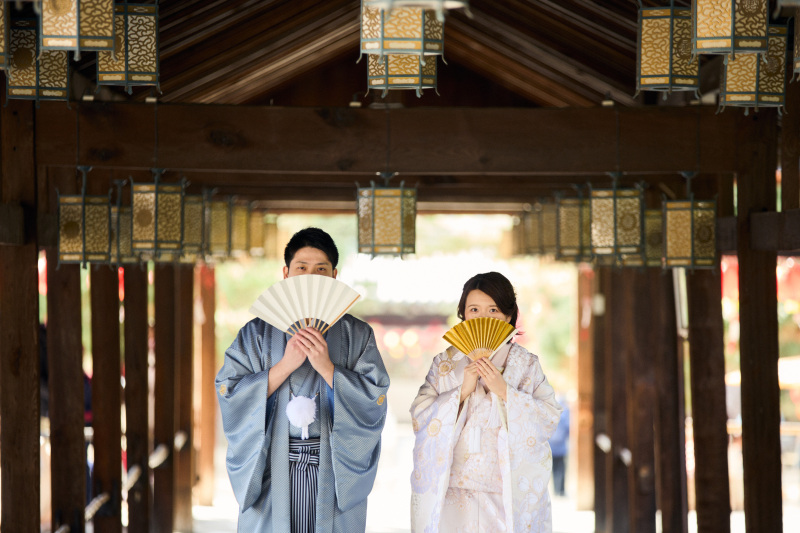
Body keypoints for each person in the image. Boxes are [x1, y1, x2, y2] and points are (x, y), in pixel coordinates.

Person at [216, 227, 390, 533]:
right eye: (302, 268)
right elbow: (229, 392)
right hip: (270, 466)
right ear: (286, 273)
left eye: (320, 269)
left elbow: (374, 399)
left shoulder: (357, 334)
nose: (311, 277)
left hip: (335, 470)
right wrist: (285, 366)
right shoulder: (256, 333)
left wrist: (327, 368)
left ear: (334, 275)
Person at [410, 272, 562, 533]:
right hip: (453, 488)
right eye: (474, 309)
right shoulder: (445, 364)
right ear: (464, 314)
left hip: (504, 490)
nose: (483, 317)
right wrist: (460, 393)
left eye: (493, 309)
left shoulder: (525, 364)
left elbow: (549, 418)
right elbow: (419, 415)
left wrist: (506, 393)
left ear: (508, 315)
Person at [549, 397, 570, 497]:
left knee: (553, 470)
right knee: (561, 469)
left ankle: (556, 490)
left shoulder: (550, 414)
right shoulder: (564, 414)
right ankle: (560, 490)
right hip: (561, 447)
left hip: (551, 448)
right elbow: (567, 429)